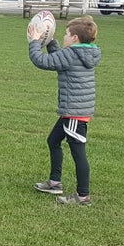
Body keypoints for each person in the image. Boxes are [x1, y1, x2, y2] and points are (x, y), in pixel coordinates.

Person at [28, 14, 102, 206]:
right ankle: (54, 182)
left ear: (75, 38)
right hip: (75, 110)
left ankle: (83, 196)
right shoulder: (82, 53)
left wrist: (35, 41)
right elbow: (60, 59)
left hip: (74, 113)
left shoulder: (72, 55)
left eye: (67, 34)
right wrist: (50, 41)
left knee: (78, 153)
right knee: (53, 140)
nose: (64, 37)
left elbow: (42, 61)